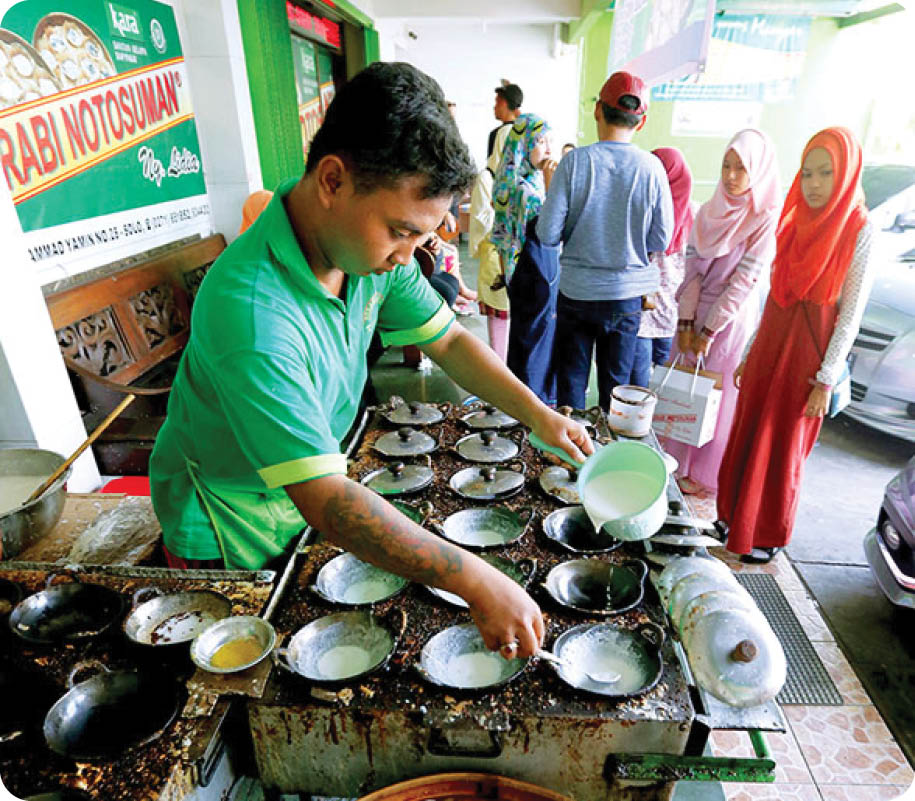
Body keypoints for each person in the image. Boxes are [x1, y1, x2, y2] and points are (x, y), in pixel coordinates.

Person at [149, 62, 592, 659]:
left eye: (422, 236)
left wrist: (538, 416)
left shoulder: (360, 252)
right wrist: (472, 578)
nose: (408, 256)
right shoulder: (252, 313)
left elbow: (451, 341)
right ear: (332, 180)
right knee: (251, 669)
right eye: (400, 231)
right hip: (230, 523)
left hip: (302, 486)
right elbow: (327, 498)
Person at [718, 127, 874, 564]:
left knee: (782, 443)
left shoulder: (860, 229)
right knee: (748, 430)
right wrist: (750, 352)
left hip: (809, 352)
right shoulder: (795, 218)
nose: (815, 184)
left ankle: (766, 534)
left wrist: (825, 378)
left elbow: (851, 313)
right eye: (807, 174)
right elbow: (774, 293)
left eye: (826, 173)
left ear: (846, 174)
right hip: (772, 339)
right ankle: (732, 518)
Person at [536, 71, 673, 410]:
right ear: (640, 123)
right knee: (616, 390)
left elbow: (547, 234)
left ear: (598, 110)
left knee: (570, 384)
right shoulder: (652, 168)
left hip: (577, 294)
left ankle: (570, 457)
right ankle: (608, 456)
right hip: (626, 297)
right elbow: (662, 238)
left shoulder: (574, 163)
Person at [663, 129, 780, 496]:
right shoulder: (707, 211)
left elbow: (743, 284)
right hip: (691, 311)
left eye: (741, 168)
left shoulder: (762, 219)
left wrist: (707, 331)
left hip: (727, 323)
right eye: (726, 166)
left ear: (757, 171)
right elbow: (692, 271)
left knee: (715, 397)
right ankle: (672, 466)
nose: (730, 176)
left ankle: (702, 477)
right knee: (682, 388)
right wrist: (686, 323)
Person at [491, 114, 557, 403]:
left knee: (526, 340)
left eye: (549, 141)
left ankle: (521, 402)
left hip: (521, 274)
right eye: (540, 141)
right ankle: (533, 404)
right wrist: (555, 186)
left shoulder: (512, 180)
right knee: (535, 343)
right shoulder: (524, 189)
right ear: (523, 144)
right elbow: (552, 227)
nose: (548, 148)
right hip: (535, 273)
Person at [630, 148, 694, 388]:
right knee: (638, 388)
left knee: (668, 392)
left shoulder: (695, 215)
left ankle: (659, 427)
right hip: (642, 313)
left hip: (674, 314)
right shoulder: (639, 208)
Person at [469, 124, 511, 359]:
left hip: (516, 257)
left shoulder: (524, 178)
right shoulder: (487, 177)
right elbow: (482, 218)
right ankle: (501, 368)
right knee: (499, 315)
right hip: (495, 256)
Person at [487, 82, 522, 159]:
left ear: (504, 103)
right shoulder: (528, 132)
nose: (494, 107)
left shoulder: (497, 134)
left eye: (497, 102)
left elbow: (492, 169)